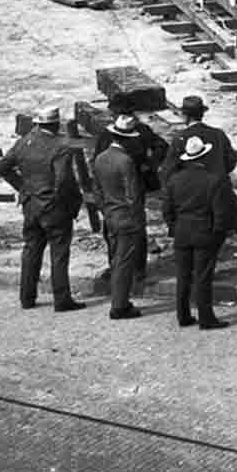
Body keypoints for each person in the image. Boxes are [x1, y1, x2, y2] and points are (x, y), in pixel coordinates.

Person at [0, 108, 85, 313]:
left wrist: (23, 188)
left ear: (37, 124)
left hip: (31, 205)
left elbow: (2, 168)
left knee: (31, 251)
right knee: (59, 253)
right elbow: (64, 181)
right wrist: (72, 204)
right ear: (55, 125)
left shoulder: (24, 142)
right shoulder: (60, 146)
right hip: (54, 207)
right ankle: (62, 299)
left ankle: (27, 298)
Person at [161, 134, 237, 330]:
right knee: (203, 277)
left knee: (183, 275)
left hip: (182, 232)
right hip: (205, 231)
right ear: (204, 156)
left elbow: (167, 211)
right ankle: (206, 317)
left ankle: (183, 315)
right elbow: (220, 213)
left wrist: (175, 227)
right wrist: (218, 234)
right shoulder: (214, 180)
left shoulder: (174, 180)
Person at [93, 115, 148, 320]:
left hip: (110, 215)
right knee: (124, 263)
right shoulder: (126, 161)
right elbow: (133, 195)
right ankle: (119, 305)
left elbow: (97, 190)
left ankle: (119, 300)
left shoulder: (100, 158)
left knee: (117, 260)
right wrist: (137, 219)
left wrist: (105, 210)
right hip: (126, 217)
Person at [159, 96, 236, 184]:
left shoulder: (180, 138)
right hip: (219, 187)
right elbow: (231, 161)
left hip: (191, 188)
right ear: (202, 114)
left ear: (185, 116)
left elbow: (169, 168)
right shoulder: (218, 134)